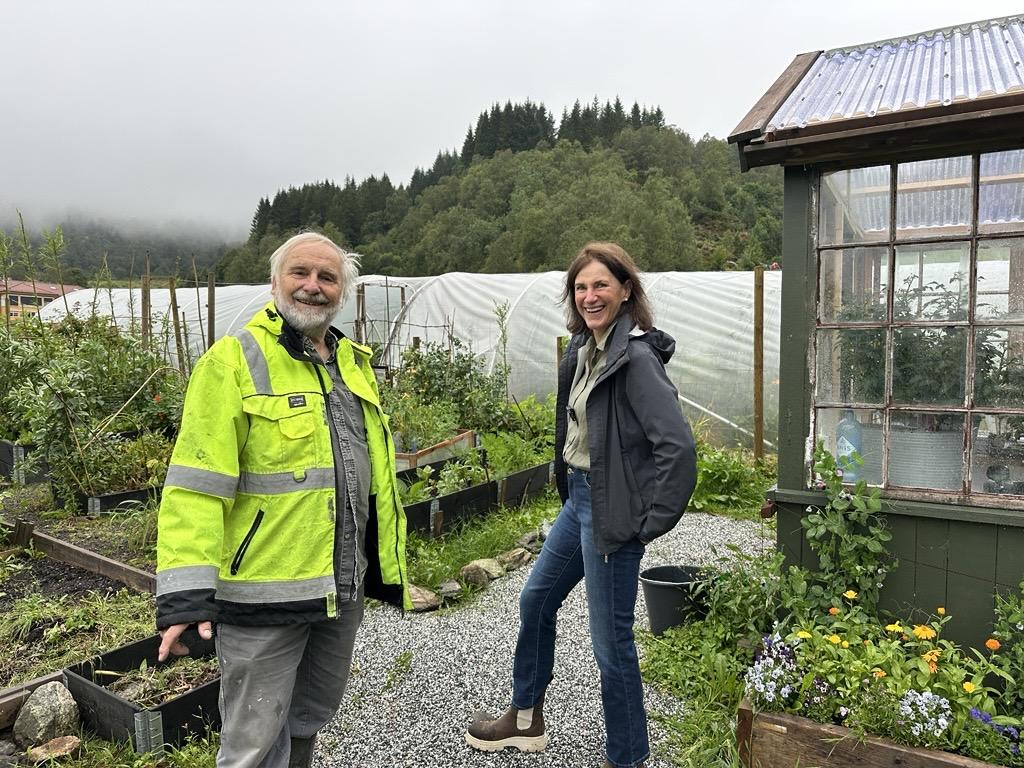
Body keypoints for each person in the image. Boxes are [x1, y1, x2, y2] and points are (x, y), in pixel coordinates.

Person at [155, 232, 410, 768]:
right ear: (275, 282)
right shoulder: (233, 362)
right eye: (300, 273)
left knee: (307, 721)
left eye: (327, 277)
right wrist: (185, 593)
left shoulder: (352, 365)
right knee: (252, 742)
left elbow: (370, 478)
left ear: (341, 291)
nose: (313, 287)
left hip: (339, 590)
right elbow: (196, 486)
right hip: (261, 599)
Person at [465, 241, 697, 768]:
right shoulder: (583, 350)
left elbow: (676, 449)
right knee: (536, 600)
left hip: (613, 514)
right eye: (581, 286)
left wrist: (647, 522)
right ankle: (525, 719)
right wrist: (570, 488)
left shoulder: (634, 359)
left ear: (625, 291)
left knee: (611, 643)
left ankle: (628, 757)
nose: (590, 296)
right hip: (580, 503)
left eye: (601, 285)